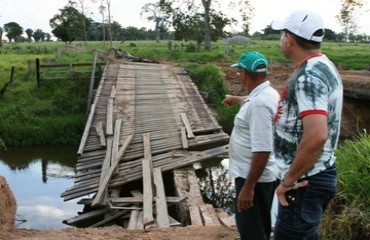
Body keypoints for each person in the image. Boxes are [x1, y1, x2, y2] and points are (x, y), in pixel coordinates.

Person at [271, 10, 343, 240]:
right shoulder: (322, 65)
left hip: (303, 182)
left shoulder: (308, 77)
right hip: (314, 175)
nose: (281, 39)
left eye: (282, 34)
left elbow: (317, 135)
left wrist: (288, 180)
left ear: (290, 39)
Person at [223, 51, 279, 240]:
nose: (239, 74)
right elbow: (251, 99)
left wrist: (248, 188)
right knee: (259, 226)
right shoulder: (268, 93)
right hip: (258, 177)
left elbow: (263, 149)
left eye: (239, 71)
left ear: (244, 73)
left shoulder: (259, 105)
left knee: (251, 231)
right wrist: (236, 98)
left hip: (254, 178)